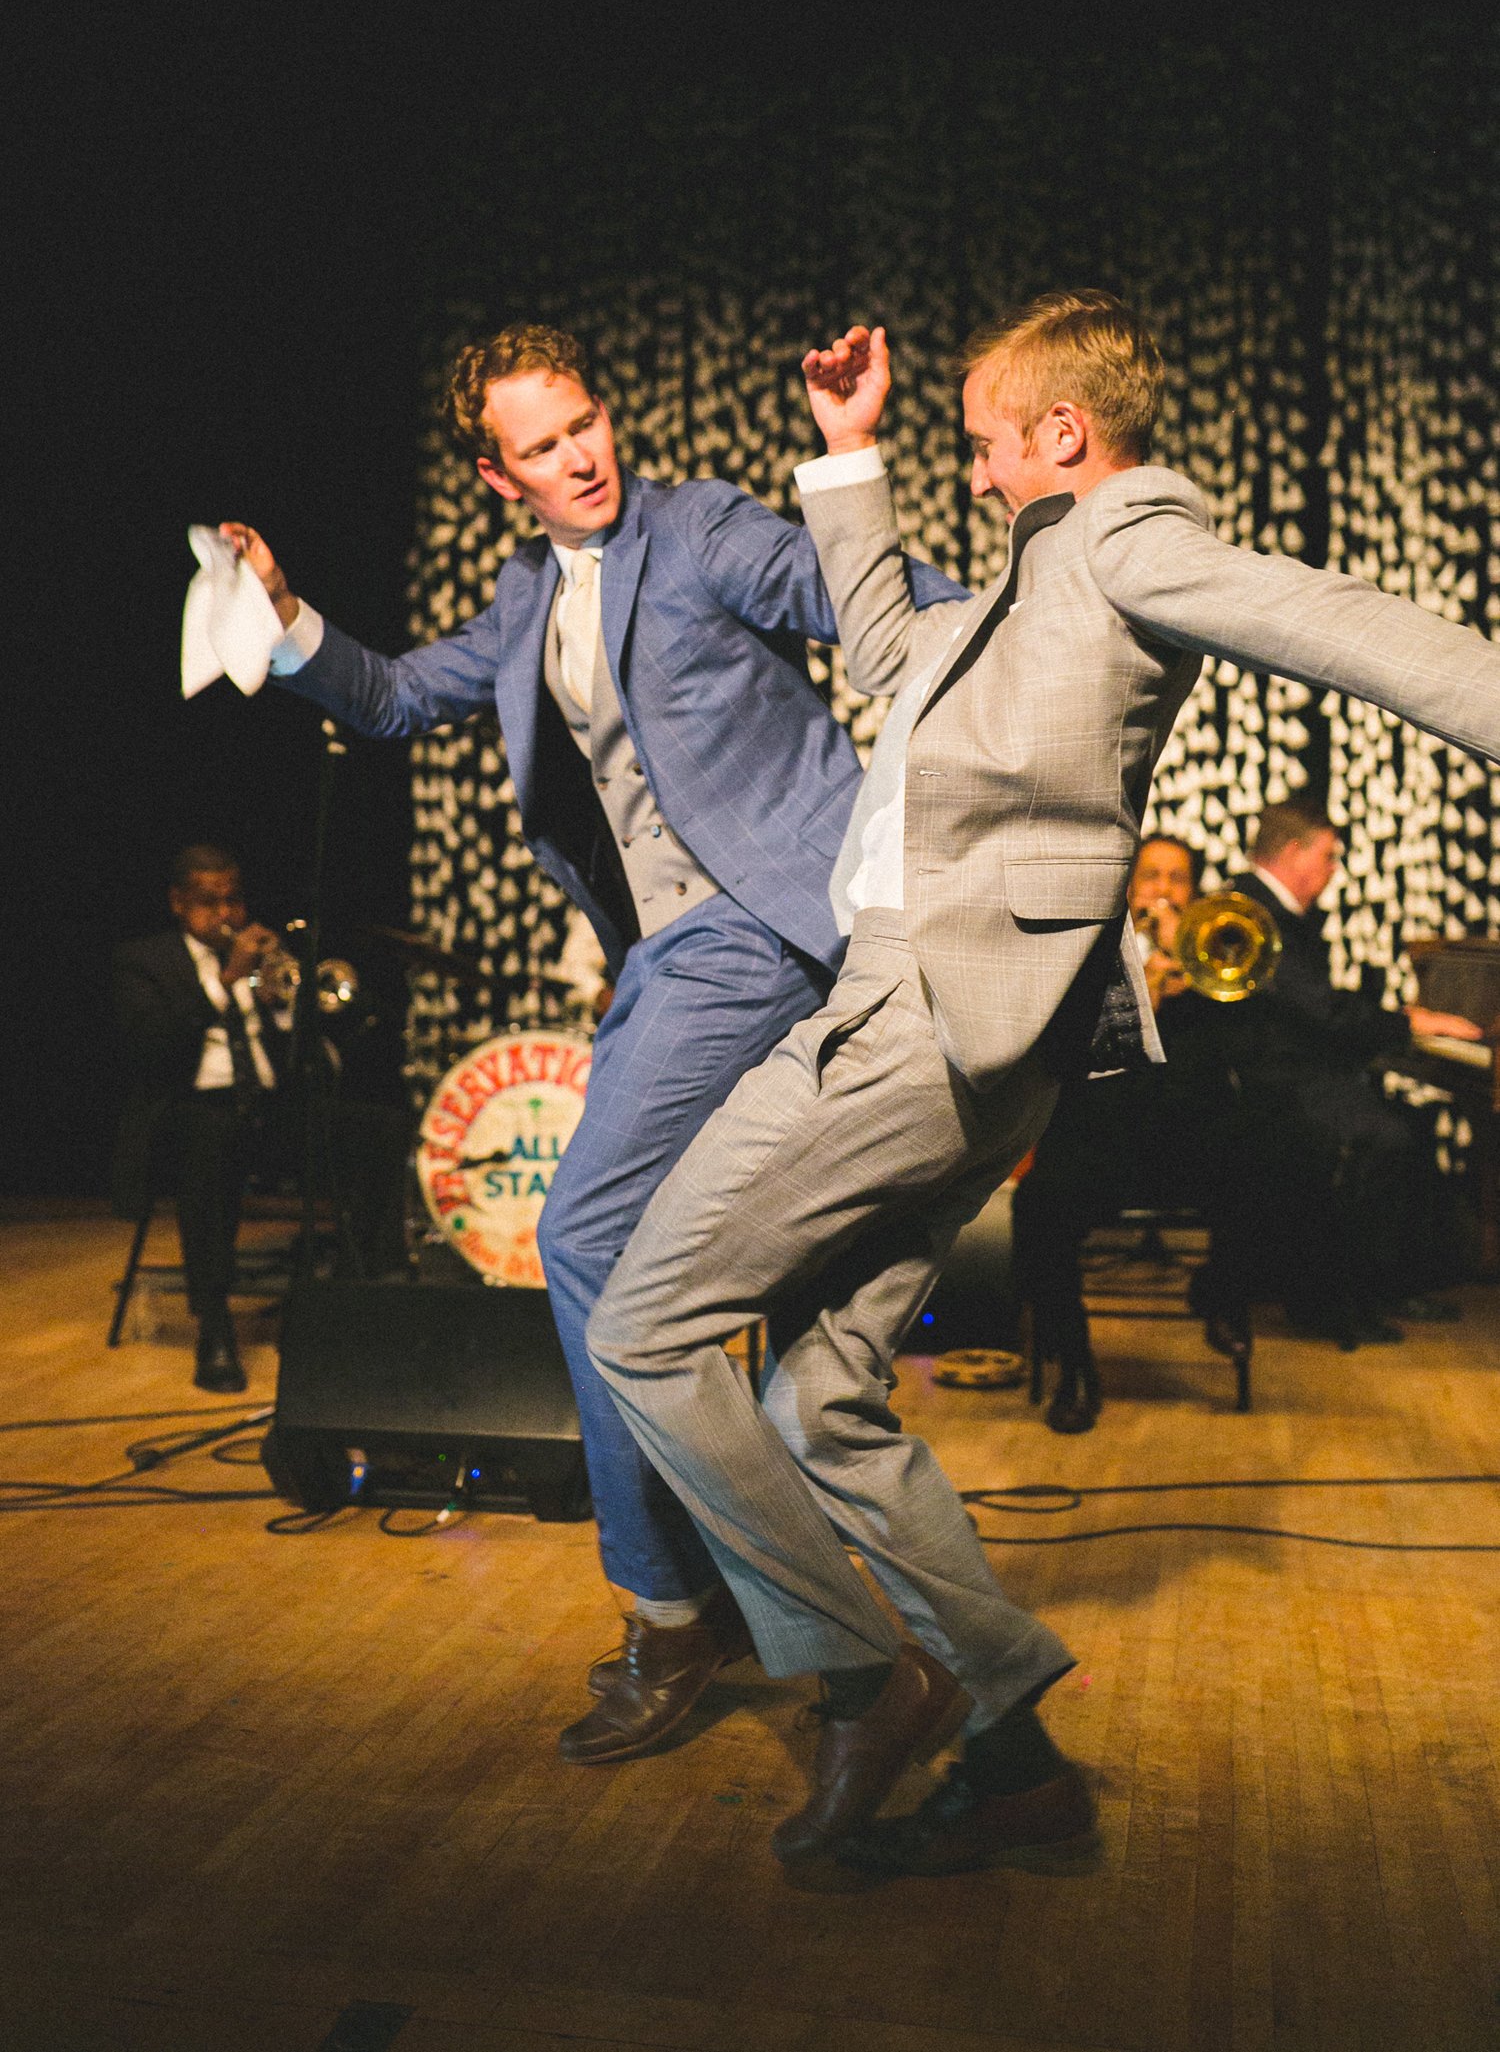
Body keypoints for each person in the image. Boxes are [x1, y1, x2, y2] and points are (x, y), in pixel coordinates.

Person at [583, 290, 1500, 1880]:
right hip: (965, 1037)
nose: (979, 471)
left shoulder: (1127, 543)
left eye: (989, 445)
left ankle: (863, 1679)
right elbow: (888, 645)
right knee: (817, 1396)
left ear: (1065, 432)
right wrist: (848, 452)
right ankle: (1014, 1762)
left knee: (642, 1327)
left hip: (916, 1019)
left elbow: (1359, 629)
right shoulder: (1030, 575)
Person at [221, 323, 964, 1760]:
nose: (579, 457)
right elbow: (391, 697)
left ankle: (674, 1610)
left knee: (583, 1239)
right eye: (543, 446)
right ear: (497, 477)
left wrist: (923, 537)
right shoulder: (523, 595)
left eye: (585, 423)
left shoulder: (700, 529)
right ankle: (772, 1603)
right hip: (664, 959)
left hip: (758, 931)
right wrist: (284, 610)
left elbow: (865, 595)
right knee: (682, 1282)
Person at [113, 845, 409, 1391]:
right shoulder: (144, 961)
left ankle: (364, 1290)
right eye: (209, 902)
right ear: (178, 902)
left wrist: (282, 1006)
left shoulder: (261, 964)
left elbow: (307, 1062)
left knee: (380, 1128)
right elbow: (150, 1049)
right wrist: (224, 982)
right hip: (190, 1111)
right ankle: (215, 1326)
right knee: (210, 1136)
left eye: (234, 900)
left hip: (269, 1110)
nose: (226, 914)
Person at [1012, 834, 1256, 1432]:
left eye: (1178, 879)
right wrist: (1139, 995)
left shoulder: (1216, 958)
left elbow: (1242, 1054)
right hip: (1100, 1141)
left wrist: (1191, 981)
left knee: (1266, 1160)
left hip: (1180, 1145)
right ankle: (1074, 1365)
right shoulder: (1089, 953)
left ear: (1194, 894)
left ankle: (1219, 1295)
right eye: (1152, 876)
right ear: (1127, 888)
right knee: (1038, 1204)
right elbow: (1063, 1052)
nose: (1164, 891)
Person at [1233, 800, 1481, 1344]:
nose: (1334, 869)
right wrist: (1406, 1022)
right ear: (1294, 852)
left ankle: (1379, 1284)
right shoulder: (1252, 913)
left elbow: (1313, 1004)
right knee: (1387, 1136)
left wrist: (1396, 1022)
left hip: (1289, 1073)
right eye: (1328, 856)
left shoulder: (1259, 907)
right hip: (1275, 1083)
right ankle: (1337, 1299)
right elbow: (1319, 1009)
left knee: (1406, 1124)